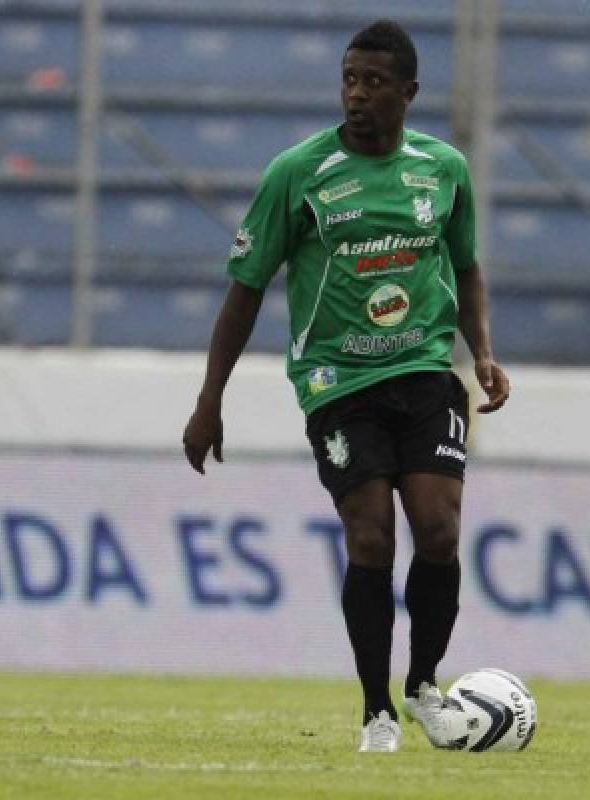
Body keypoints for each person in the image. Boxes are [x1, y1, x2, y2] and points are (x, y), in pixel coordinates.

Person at [180, 19, 510, 753]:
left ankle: (423, 684)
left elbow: (467, 266)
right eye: (349, 79)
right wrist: (211, 400)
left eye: (373, 82)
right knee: (369, 537)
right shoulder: (297, 173)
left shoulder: (444, 169)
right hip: (338, 382)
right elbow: (245, 290)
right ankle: (376, 711)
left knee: (439, 529)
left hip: (425, 372)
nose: (356, 95)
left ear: (408, 92)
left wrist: (482, 352)